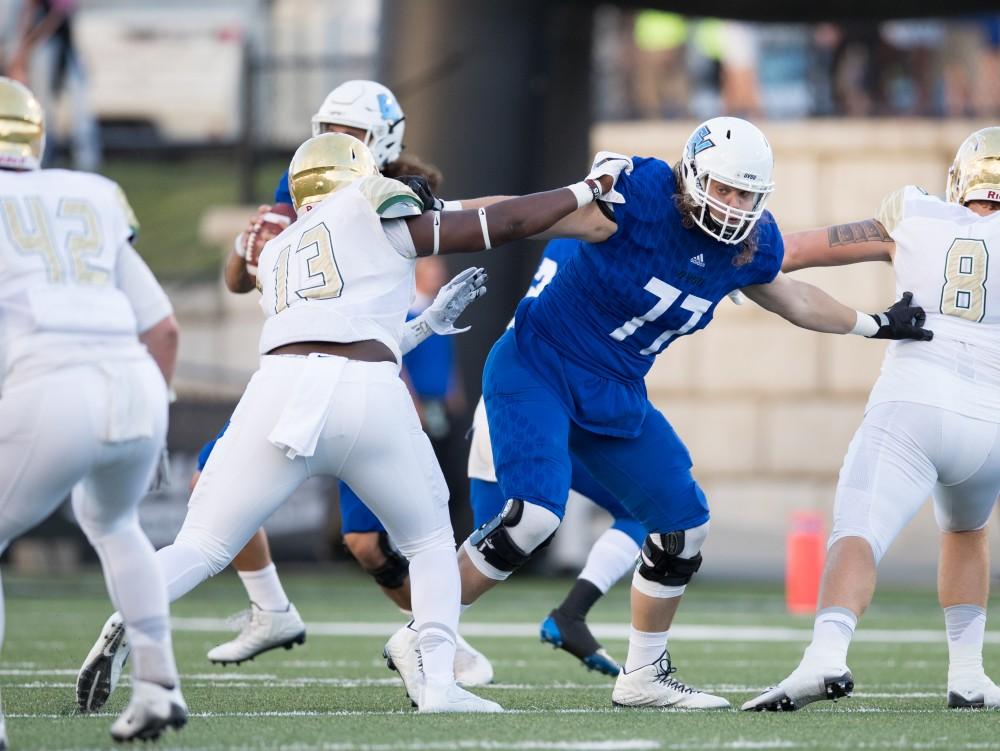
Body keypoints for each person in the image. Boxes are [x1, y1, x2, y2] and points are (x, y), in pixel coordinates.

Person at [384, 115, 935, 710]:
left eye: (746, 193)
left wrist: (873, 323)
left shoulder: (748, 246)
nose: (732, 204)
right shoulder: (642, 198)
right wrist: (445, 209)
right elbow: (525, 209)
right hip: (538, 365)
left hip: (616, 391)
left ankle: (643, 674)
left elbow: (794, 297)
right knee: (534, 517)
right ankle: (423, 637)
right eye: (723, 188)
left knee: (683, 522)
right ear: (691, 175)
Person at [75, 130, 626, 714]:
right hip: (365, 393)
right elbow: (502, 225)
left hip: (277, 392)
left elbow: (337, 326)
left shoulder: (283, 247)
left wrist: (426, 323)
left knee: (203, 543)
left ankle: (128, 616)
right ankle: (437, 681)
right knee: (432, 542)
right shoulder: (370, 205)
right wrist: (582, 189)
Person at [197, 80, 489, 686]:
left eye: (351, 132)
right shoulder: (302, 178)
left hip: (370, 380)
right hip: (297, 377)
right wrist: (244, 247)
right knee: (209, 477)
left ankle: (439, 641)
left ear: (382, 141)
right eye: (328, 128)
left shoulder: (399, 189)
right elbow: (242, 273)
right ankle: (270, 606)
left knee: (367, 544)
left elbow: (423, 267)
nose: (337, 142)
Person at [742, 126, 1000, 712]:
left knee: (857, 530)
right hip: (992, 423)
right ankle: (968, 675)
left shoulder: (914, 211)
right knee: (966, 531)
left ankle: (825, 656)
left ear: (961, 178)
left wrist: (720, 264)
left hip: (912, 400)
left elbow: (794, 249)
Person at [0, 77, 183, 743]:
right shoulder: (94, 194)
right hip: (135, 384)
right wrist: (157, 422)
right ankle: (159, 683)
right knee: (114, 522)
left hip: (53, 382)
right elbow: (164, 329)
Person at [464, 238, 647, 677]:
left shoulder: (574, 236)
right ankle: (425, 630)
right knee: (493, 548)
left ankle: (567, 616)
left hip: (522, 397)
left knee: (487, 547)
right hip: (536, 401)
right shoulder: (603, 248)